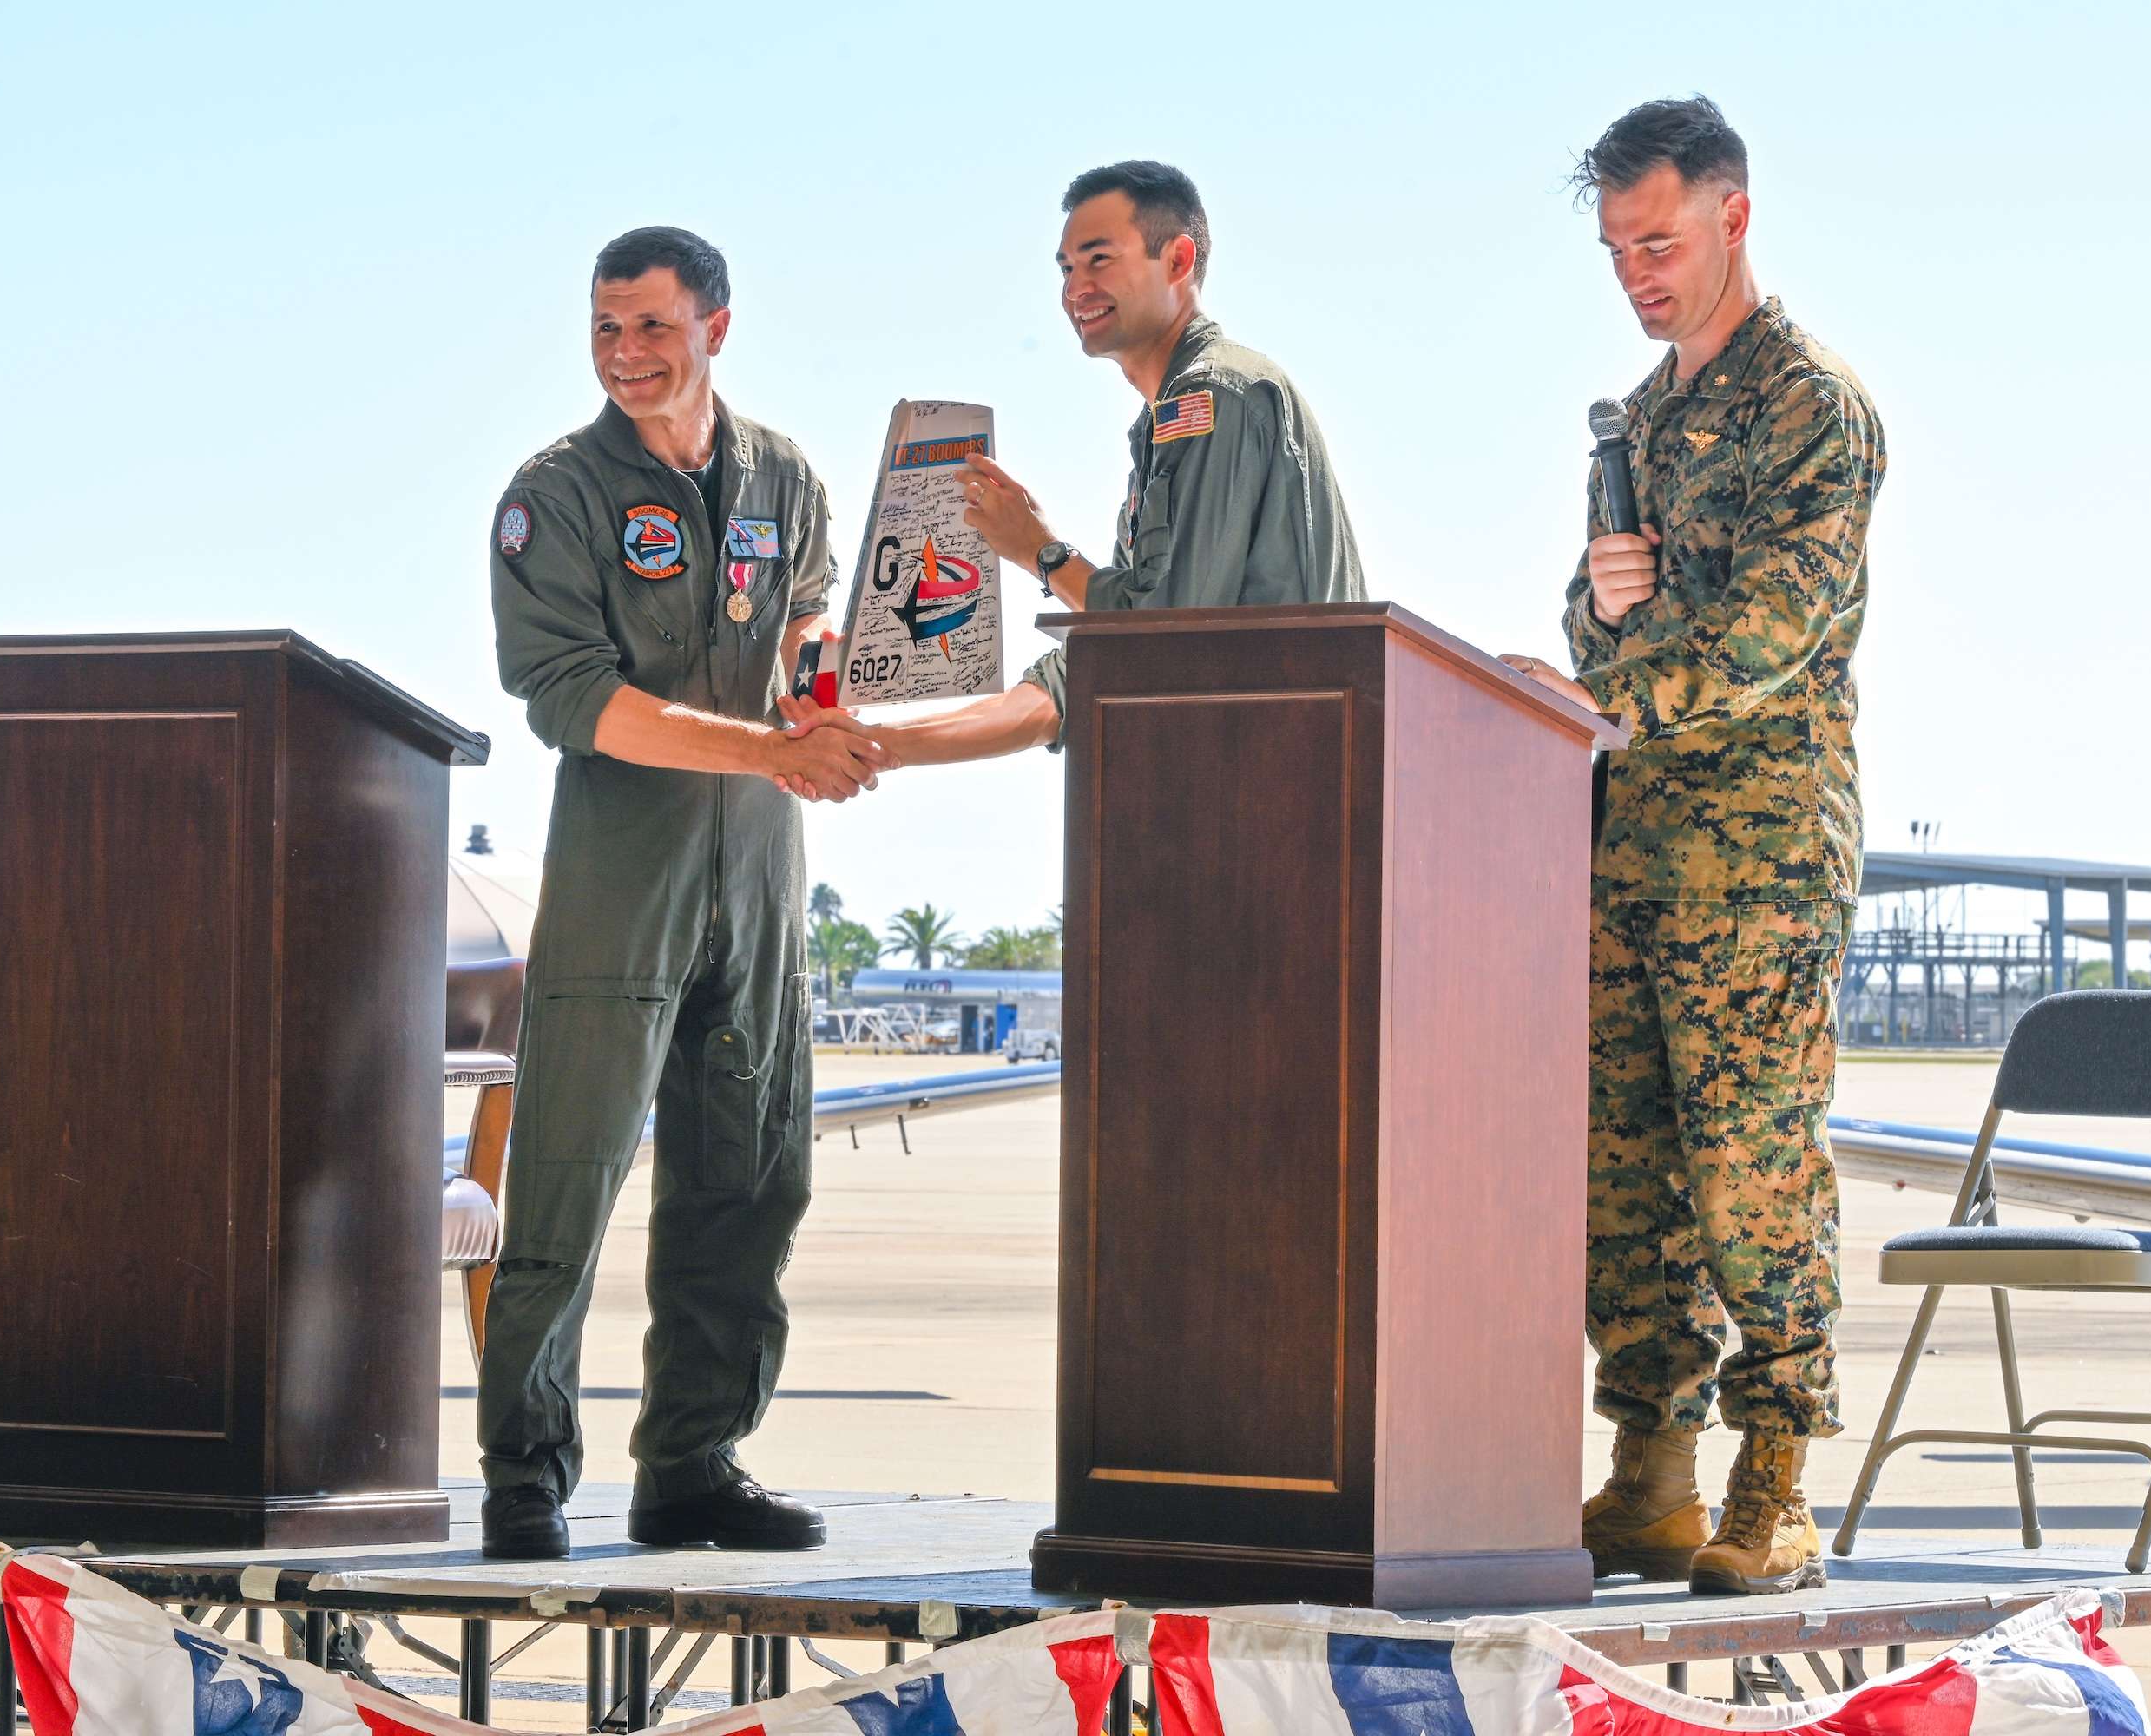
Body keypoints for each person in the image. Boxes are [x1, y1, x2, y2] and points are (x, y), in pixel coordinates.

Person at [1499, 97, 1885, 1595]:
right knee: (1628, 1180)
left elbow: (1780, 629)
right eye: (1615, 251)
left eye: (1658, 242)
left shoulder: (1814, 406)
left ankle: (1775, 1476)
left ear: (1736, 214)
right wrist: (1592, 616)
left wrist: (1603, 684)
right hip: (1629, 845)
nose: (1638, 275)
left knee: (1752, 1173)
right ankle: (1648, 1469)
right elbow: (1604, 614)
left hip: (1761, 856)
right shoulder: (1644, 422)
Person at [480, 227, 894, 1560]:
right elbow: (579, 701)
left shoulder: (785, 477)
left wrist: (833, 678)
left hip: (763, 872)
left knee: (752, 1175)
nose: (626, 357)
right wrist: (772, 749)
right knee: (566, 1182)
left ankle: (694, 1465)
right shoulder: (559, 494)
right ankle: (526, 1473)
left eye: (653, 328)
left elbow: (808, 624)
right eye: (606, 330)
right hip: (625, 867)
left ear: (718, 324)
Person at [786, 160, 1365, 768]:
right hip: (1234, 780)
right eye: (1066, 268)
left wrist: (1041, 551)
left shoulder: (1212, 397)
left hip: (1272, 781)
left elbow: (1167, 631)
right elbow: (1087, 670)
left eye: (1099, 260)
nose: (1075, 289)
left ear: (1177, 260)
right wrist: (875, 744)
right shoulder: (1168, 419)